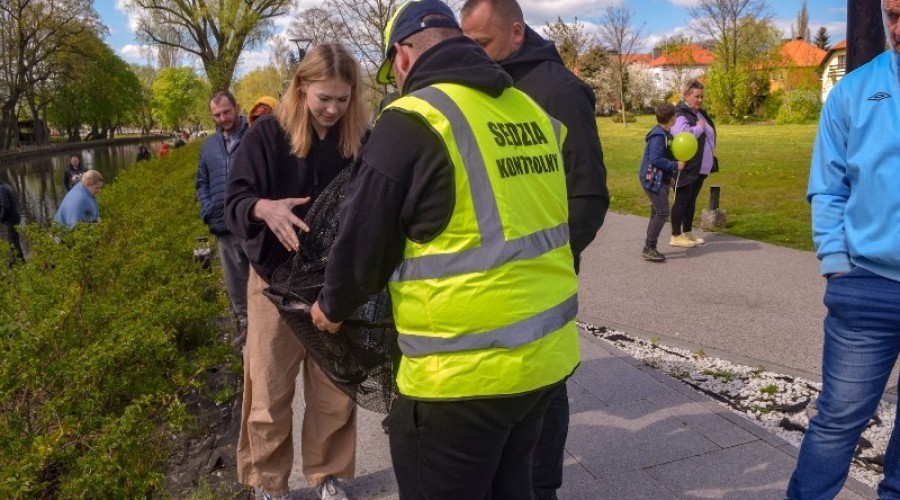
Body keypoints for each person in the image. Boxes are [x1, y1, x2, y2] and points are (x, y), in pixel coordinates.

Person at [309, 1, 580, 498]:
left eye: (392, 72)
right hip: (546, 362)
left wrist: (331, 307)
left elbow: (361, 241)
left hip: (459, 377)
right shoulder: (530, 112)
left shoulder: (413, 120)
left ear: (403, 57)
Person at [459, 1, 609, 497]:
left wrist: (551, 265)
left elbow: (587, 196)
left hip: (543, 286)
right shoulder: (484, 86)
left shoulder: (559, 92)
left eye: (481, 43)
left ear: (517, 32)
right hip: (488, 287)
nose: (472, 53)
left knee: (544, 391)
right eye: (467, 43)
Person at [225, 43, 368, 500]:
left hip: (333, 284)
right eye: (323, 98)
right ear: (301, 87)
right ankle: (268, 483)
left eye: (342, 100)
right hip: (274, 283)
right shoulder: (266, 135)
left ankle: (328, 475)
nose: (332, 109)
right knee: (269, 390)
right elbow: (233, 203)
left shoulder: (359, 136)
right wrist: (263, 208)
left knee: (334, 389)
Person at [786, 2, 900, 498]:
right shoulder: (854, 90)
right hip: (867, 287)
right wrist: (837, 267)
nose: (899, 26)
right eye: (893, 13)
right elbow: (828, 186)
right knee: (836, 422)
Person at [196, 90, 251, 333]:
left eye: (226, 111)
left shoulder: (255, 136)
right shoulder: (208, 146)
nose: (223, 118)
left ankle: (269, 332)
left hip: (252, 224)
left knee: (262, 281)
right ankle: (246, 331)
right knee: (235, 284)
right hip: (222, 225)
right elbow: (201, 181)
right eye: (217, 114)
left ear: (237, 107)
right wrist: (207, 208)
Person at [670, 78, 716, 248]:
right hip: (687, 165)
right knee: (681, 200)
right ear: (687, 96)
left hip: (701, 166)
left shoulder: (699, 113)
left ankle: (687, 231)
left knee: (691, 200)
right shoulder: (680, 113)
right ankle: (675, 234)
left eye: (702, 97)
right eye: (697, 96)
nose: (700, 100)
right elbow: (681, 133)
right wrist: (698, 128)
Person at [638, 103, 685, 262]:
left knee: (656, 212)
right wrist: (675, 166)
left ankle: (649, 246)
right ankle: (649, 247)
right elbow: (656, 159)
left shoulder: (666, 134)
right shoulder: (658, 136)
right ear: (672, 119)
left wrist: (669, 177)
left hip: (660, 178)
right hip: (652, 179)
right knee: (662, 212)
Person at [0, 180, 25, 268]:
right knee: (15, 239)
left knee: (12, 241)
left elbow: (5, 205)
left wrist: (1, 217)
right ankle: (21, 260)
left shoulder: (2, 189)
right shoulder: (6, 185)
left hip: (11, 218)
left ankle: (13, 262)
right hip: (15, 216)